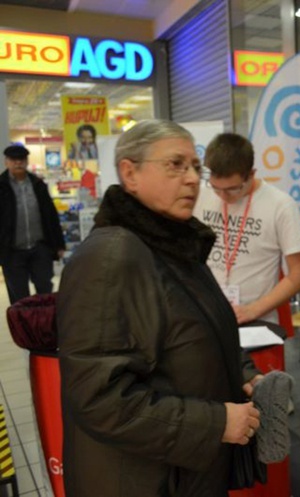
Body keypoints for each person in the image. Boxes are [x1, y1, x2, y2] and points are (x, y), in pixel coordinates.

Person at [57, 120, 264, 496]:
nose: (191, 179)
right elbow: (98, 397)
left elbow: (194, 330)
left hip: (182, 471)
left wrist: (242, 372)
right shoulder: (112, 257)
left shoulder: (172, 243)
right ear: (129, 172)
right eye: (175, 165)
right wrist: (215, 423)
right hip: (140, 479)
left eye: (194, 167)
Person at [194, 132, 300, 325]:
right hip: (207, 316)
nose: (223, 195)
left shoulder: (280, 205)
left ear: (252, 174)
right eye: (216, 187)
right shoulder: (201, 197)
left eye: (232, 189)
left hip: (257, 321)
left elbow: (299, 274)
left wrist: (253, 310)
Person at [0, 144, 66, 304]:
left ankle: (44, 327)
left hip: (40, 248)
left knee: (45, 291)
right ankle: (23, 328)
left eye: (21, 159)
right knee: (19, 297)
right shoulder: (1, 186)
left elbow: (50, 216)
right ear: (6, 162)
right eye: (13, 160)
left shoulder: (38, 185)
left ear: (27, 161)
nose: (18, 163)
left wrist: (58, 244)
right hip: (12, 251)